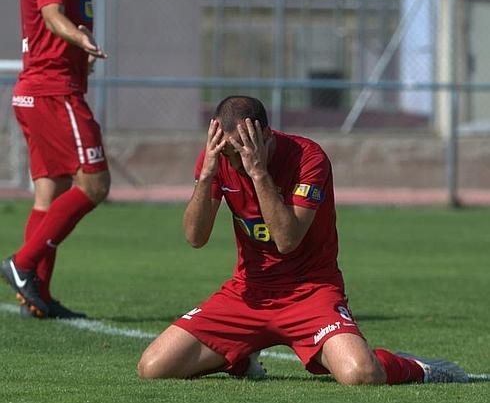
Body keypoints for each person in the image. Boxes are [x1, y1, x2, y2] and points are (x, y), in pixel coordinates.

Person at [138, 96, 467, 384]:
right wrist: (207, 174)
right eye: (229, 153)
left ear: (266, 135)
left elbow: (287, 240)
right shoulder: (218, 158)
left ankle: (416, 368)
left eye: (242, 151)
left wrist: (258, 173)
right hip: (248, 294)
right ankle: (240, 355)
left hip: (310, 292)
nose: (236, 161)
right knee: (153, 367)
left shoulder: (309, 158)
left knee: (360, 374)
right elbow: (195, 238)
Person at [0, 0, 110, 319]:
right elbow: (51, 16)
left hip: (39, 90)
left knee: (51, 193)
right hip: (53, 91)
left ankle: (36, 297)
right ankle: (22, 264)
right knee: (95, 183)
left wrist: (79, 45)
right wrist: (80, 41)